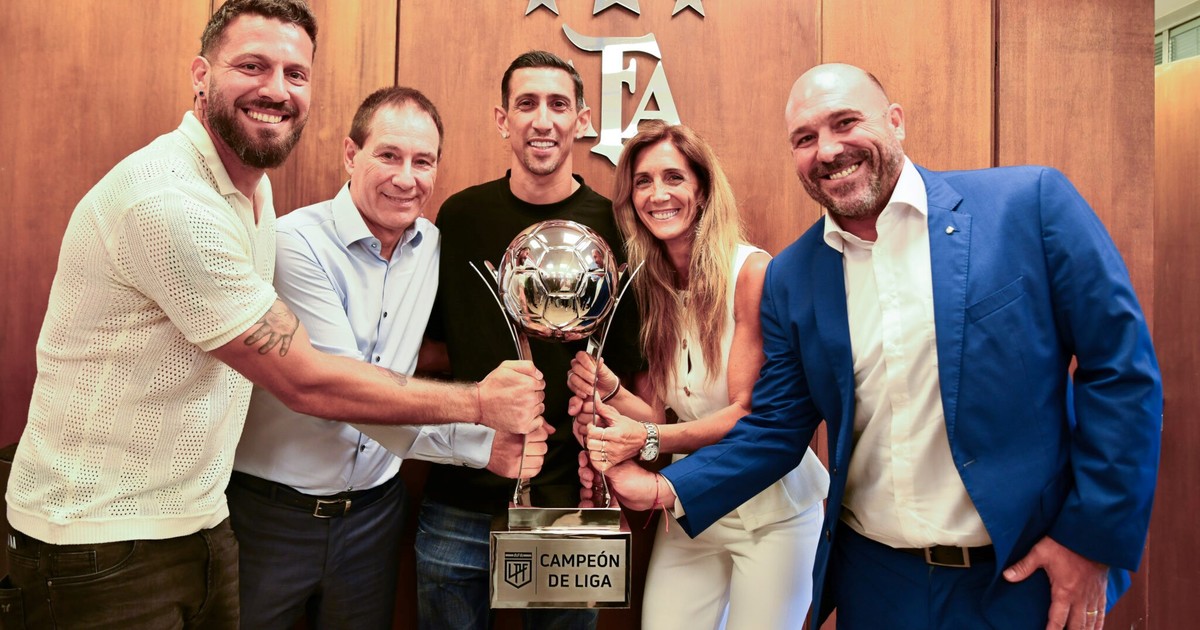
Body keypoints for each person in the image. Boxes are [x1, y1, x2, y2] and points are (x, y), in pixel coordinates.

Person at [3, 2, 544, 628]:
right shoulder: (171, 203)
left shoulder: (252, 191)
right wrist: (478, 409)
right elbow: (310, 380)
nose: (276, 90)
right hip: (101, 538)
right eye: (252, 66)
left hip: (202, 521)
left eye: (295, 74)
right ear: (201, 75)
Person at [582, 63, 1162, 630]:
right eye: (805, 138)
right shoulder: (795, 275)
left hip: (1016, 577)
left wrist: (1090, 540)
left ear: (896, 121)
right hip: (876, 584)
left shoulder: (1026, 205)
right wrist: (663, 487)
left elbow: (1121, 372)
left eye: (846, 122)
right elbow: (776, 428)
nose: (828, 150)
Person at [228, 86, 551, 629]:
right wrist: (479, 440)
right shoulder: (295, 244)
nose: (406, 178)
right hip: (273, 517)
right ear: (351, 154)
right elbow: (339, 392)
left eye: (423, 161)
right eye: (389, 155)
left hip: (375, 519)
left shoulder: (436, 249)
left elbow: (440, 347)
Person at [565, 120, 829, 629]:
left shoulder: (750, 272)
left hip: (771, 512)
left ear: (703, 190)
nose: (658, 194)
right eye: (643, 182)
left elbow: (746, 413)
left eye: (674, 178)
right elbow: (661, 414)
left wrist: (644, 437)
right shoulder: (650, 286)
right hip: (692, 506)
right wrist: (610, 392)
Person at [416, 50, 642, 630]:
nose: (543, 120)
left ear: (581, 120)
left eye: (558, 104)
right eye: (526, 104)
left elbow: (632, 375)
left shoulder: (617, 225)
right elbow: (432, 349)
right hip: (459, 495)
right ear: (503, 119)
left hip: (568, 500)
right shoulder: (460, 217)